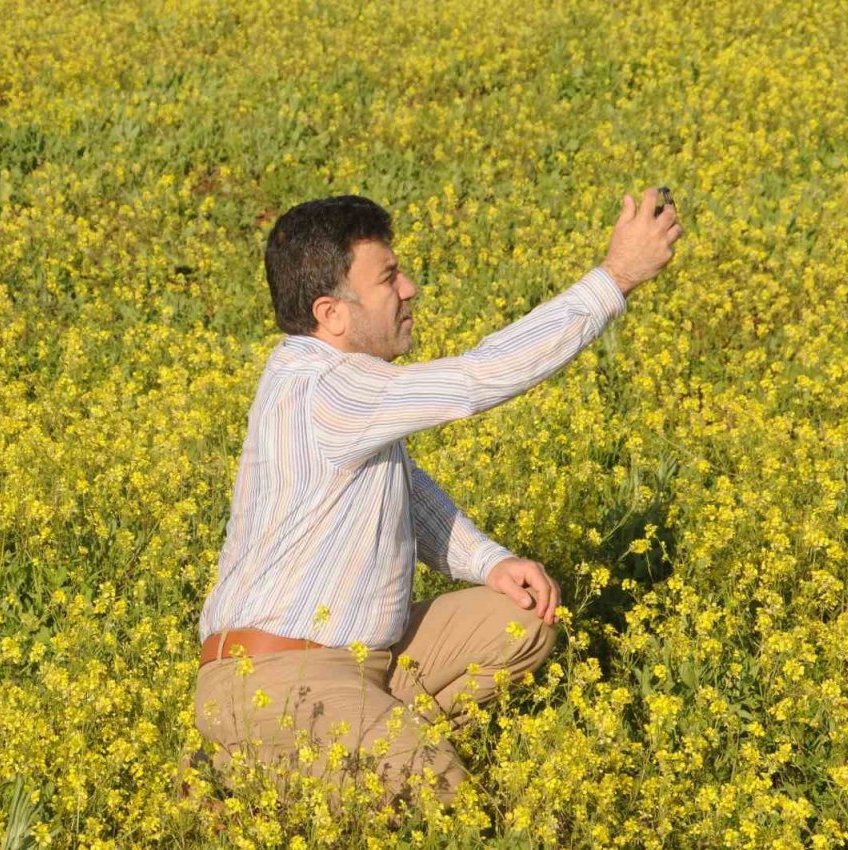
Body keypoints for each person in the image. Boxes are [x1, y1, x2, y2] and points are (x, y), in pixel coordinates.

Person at [182, 188, 682, 812]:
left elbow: (405, 494)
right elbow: (481, 375)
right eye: (389, 278)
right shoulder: (326, 387)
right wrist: (615, 278)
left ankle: (316, 762)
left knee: (520, 622)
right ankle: (263, 773)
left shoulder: (338, 390)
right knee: (448, 805)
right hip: (281, 677)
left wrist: (490, 563)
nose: (410, 288)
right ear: (331, 313)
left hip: (362, 658)